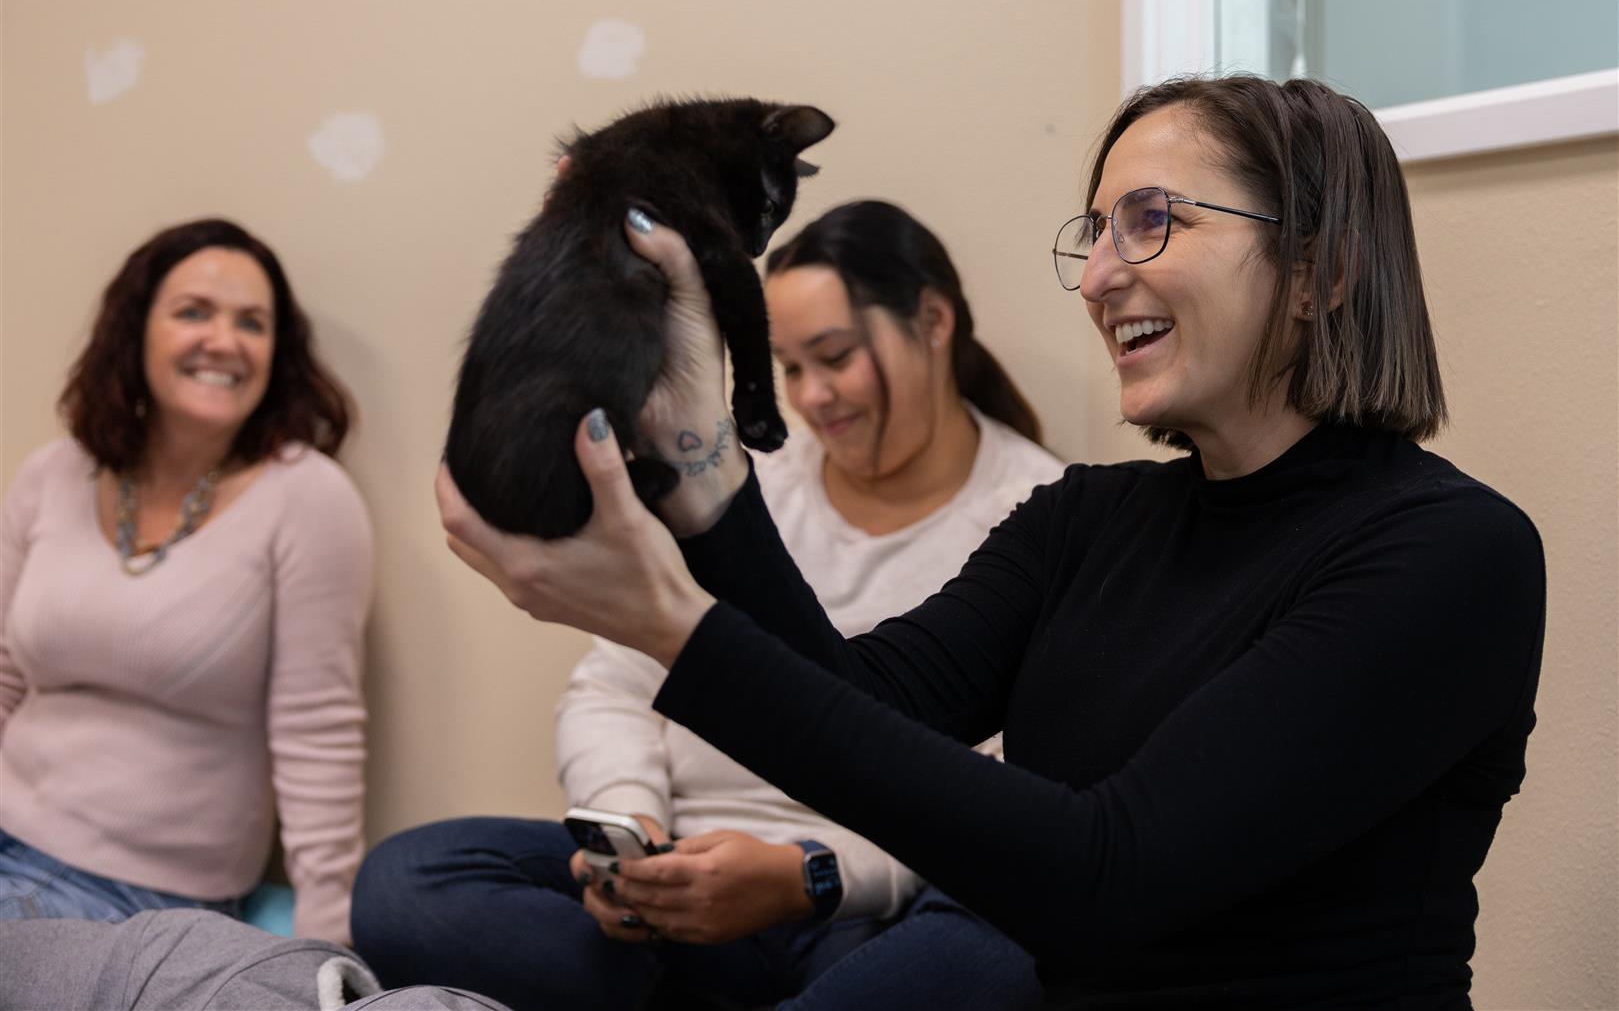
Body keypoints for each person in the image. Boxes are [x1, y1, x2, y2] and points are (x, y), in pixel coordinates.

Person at [434, 75, 1548, 1008]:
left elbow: (1105, 875)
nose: (1101, 276)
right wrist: (699, 463)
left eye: (1152, 220)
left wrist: (670, 622)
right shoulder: (1087, 519)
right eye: (1096, 233)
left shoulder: (1450, 557)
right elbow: (854, 706)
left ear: (1320, 271)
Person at [353, 201, 1064, 1010]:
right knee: (406, 882)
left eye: (833, 357)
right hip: (676, 887)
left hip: (854, 914)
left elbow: (1002, 815)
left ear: (933, 321)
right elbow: (614, 681)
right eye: (789, 368)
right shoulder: (737, 481)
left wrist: (809, 875)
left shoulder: (1034, 518)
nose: (812, 398)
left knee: (999, 942)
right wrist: (627, 832)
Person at [0, 218, 373, 946]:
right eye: (194, 312)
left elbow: (317, 733)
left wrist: (326, 944)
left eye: (252, 323)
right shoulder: (54, 472)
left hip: (138, 895)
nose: (223, 341)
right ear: (134, 331)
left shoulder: (308, 499)